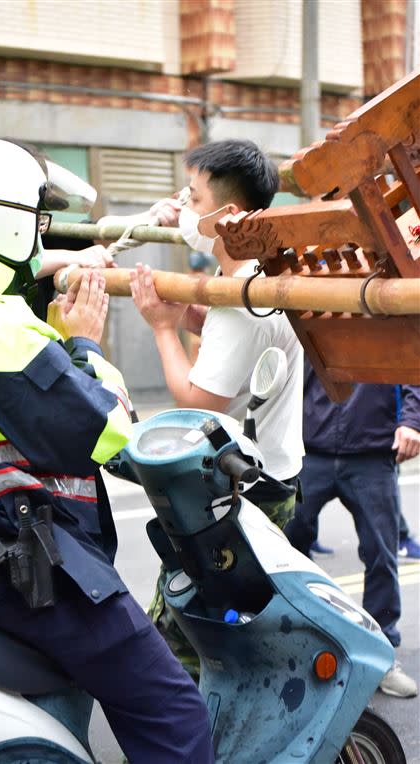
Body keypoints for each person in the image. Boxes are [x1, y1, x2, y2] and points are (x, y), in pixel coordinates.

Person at [0, 138, 214, 763]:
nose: (42, 232)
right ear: (11, 220)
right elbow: (109, 432)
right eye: (39, 217)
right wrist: (85, 346)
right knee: (171, 708)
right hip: (7, 568)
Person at [129, 139, 304, 679]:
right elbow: (247, 354)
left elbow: (197, 400)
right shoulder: (260, 276)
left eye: (192, 195)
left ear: (227, 215)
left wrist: (161, 327)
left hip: (242, 490)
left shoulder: (239, 302)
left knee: (182, 632)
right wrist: (187, 317)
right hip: (273, 474)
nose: (182, 205)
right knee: (233, 619)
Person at [285, 359, 420, 699]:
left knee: (381, 556)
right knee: (284, 554)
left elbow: (412, 366)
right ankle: (290, 647)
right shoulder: (308, 310)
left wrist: (412, 422)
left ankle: (382, 656)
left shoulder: (385, 313)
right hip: (309, 451)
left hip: (372, 454)